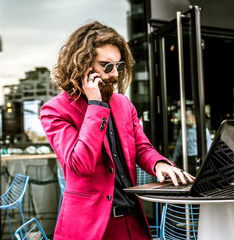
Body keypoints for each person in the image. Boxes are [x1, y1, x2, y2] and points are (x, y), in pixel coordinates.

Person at [40, 22, 194, 240]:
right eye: (107, 66)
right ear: (83, 65)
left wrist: (159, 164)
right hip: (91, 228)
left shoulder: (123, 104)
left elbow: (141, 147)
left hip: (133, 222)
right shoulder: (56, 110)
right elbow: (80, 165)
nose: (114, 74)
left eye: (118, 66)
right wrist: (95, 106)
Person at [172, 108, 212, 173]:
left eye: (187, 117)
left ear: (193, 117)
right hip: (186, 158)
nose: (185, 119)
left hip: (198, 157)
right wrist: (174, 159)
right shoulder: (183, 130)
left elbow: (208, 146)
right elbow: (179, 145)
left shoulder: (203, 130)